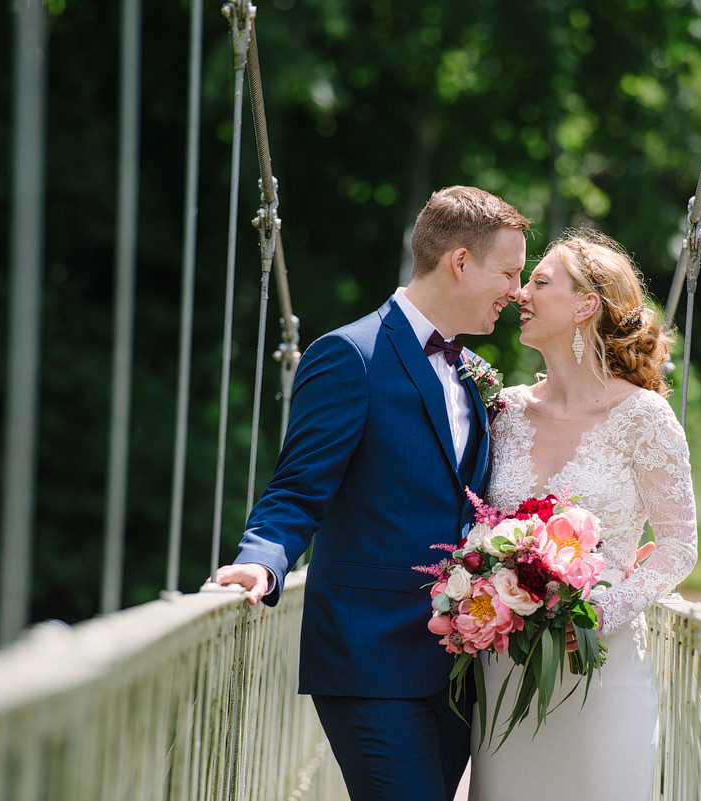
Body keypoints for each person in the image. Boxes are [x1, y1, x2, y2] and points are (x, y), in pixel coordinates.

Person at [211, 185, 530, 801]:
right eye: (510, 272)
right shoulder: (348, 356)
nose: (518, 291)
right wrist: (260, 560)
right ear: (460, 262)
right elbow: (298, 490)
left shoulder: (470, 373)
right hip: (370, 659)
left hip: (458, 669)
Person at [468, 229, 699, 800]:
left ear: (585, 305)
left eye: (540, 282)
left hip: (602, 667)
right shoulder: (504, 413)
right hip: (506, 671)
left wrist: (599, 612)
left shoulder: (644, 418)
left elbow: (678, 546)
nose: (520, 294)